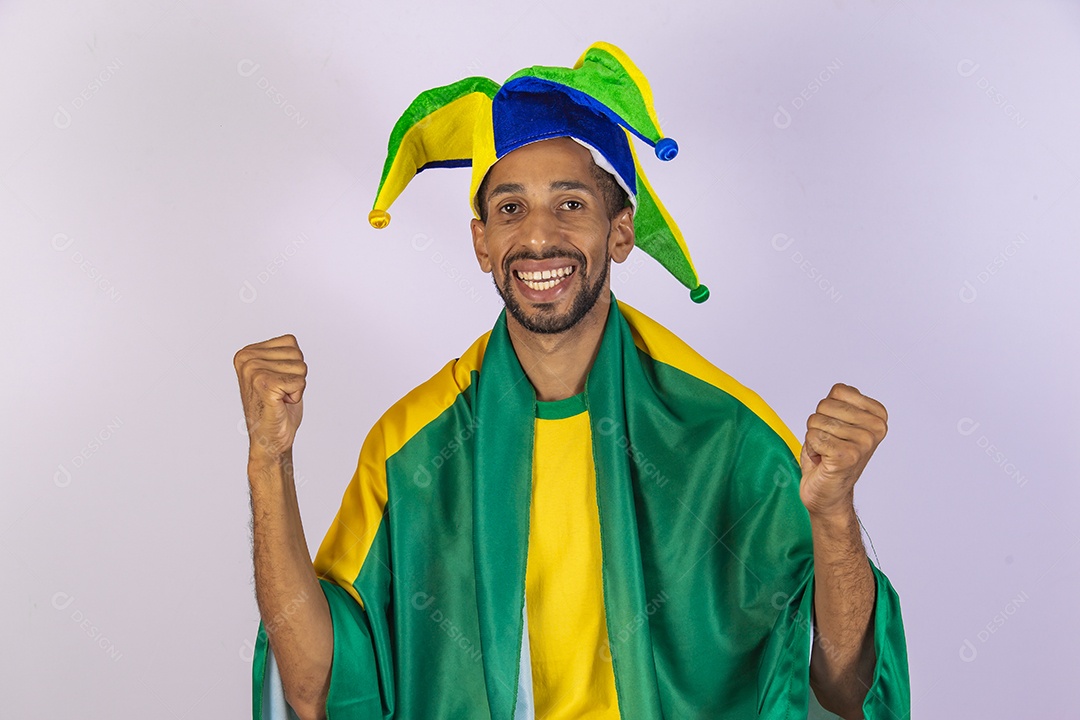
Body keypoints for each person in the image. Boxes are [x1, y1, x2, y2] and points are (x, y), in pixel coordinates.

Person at [234, 42, 910, 720]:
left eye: (570, 205)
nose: (537, 237)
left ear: (620, 232)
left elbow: (846, 689)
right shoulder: (412, 446)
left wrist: (831, 515)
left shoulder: (722, 431)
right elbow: (315, 687)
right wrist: (271, 459)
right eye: (510, 208)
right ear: (480, 243)